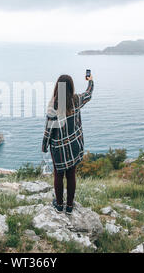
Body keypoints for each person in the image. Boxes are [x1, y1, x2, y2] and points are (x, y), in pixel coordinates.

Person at [42, 73, 94, 215]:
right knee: (71, 175)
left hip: (58, 148)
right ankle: (69, 206)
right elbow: (88, 94)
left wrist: (44, 145)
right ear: (71, 87)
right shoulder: (76, 100)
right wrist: (90, 81)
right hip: (74, 145)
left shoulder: (54, 105)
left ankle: (59, 205)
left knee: (58, 175)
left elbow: (49, 129)